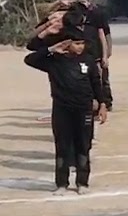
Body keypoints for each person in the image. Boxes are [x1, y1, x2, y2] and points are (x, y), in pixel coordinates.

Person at [24, 30, 108, 195]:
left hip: (84, 109)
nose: (80, 47)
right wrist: (51, 49)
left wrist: (103, 104)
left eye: (82, 43)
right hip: (62, 109)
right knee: (63, 146)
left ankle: (82, 182)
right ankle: (61, 183)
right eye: (76, 43)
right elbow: (29, 59)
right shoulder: (54, 61)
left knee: (83, 145)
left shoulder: (88, 60)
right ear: (67, 43)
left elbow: (96, 83)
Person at [75, 0, 113, 112]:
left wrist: (107, 52)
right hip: (81, 53)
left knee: (102, 79)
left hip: (96, 53)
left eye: (85, 1)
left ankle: (106, 102)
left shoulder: (97, 13)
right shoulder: (74, 14)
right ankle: (91, 105)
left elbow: (104, 33)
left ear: (91, 0)